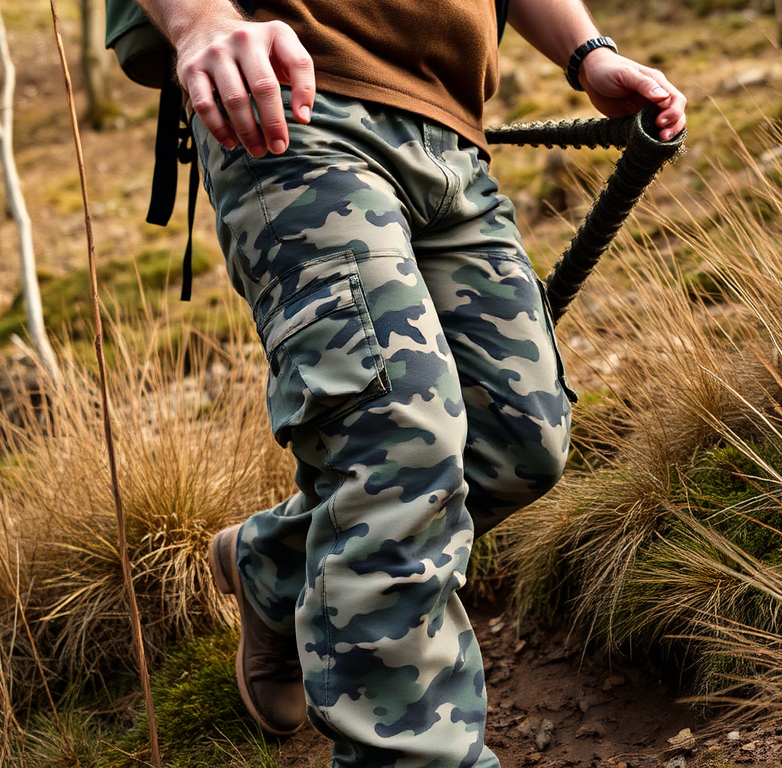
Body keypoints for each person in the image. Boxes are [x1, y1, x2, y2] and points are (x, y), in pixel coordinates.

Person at [135, 0, 687, 764]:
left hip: (451, 134)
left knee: (520, 442)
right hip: (294, 107)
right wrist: (198, 21)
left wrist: (588, 52)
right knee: (401, 445)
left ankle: (276, 569)